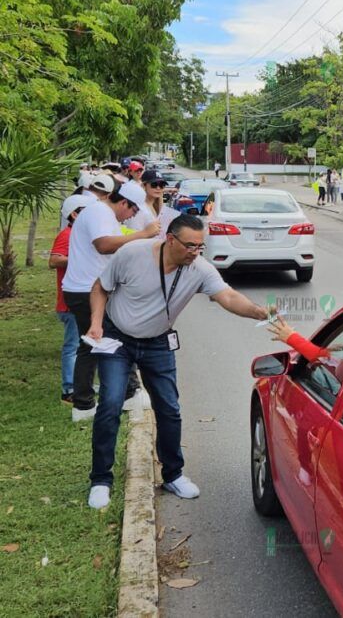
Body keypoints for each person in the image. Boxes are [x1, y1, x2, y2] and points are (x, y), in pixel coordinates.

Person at [84, 215, 271, 509]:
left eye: (200, 246)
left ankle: (173, 474)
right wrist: (96, 323)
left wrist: (258, 312)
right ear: (170, 240)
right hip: (117, 338)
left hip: (158, 341)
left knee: (170, 409)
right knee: (109, 405)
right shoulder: (133, 254)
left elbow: (228, 297)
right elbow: (100, 287)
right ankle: (100, 480)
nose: (195, 252)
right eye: (189, 246)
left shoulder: (198, 268)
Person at [63, 179, 158, 422]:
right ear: (123, 202)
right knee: (103, 342)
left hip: (90, 288)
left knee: (99, 343)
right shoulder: (99, 212)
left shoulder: (104, 214)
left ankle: (100, 400)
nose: (130, 217)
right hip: (87, 291)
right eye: (133, 211)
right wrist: (143, 234)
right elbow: (104, 246)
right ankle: (93, 402)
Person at [51, 204, 87, 404]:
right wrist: (79, 257)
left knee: (84, 346)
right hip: (69, 303)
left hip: (82, 301)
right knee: (72, 346)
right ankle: (69, 390)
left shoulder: (81, 236)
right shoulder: (67, 234)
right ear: (74, 214)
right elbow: (54, 260)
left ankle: (80, 385)